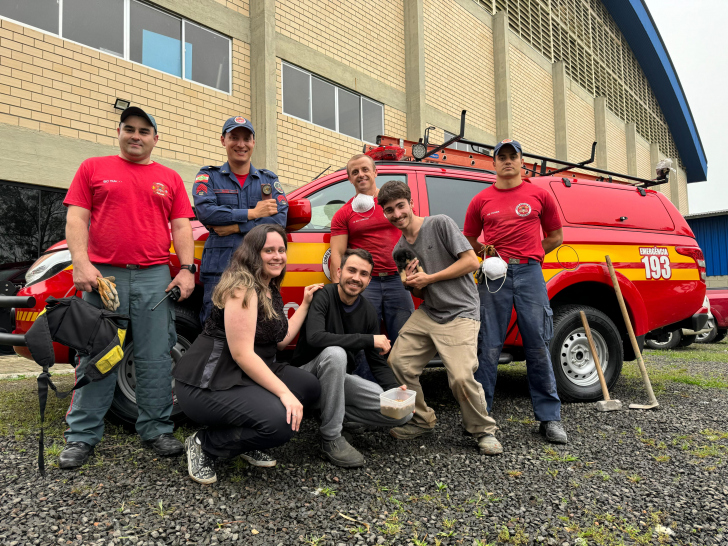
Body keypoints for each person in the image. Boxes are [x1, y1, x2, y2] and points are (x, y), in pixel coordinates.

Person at [60, 106, 196, 469]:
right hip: (104, 277)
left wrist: (186, 269)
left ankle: (156, 429)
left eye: (144, 131)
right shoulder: (93, 168)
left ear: (155, 138)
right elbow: (77, 216)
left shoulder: (169, 177)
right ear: (119, 131)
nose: (136, 136)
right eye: (130, 129)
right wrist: (81, 262)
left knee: (155, 356)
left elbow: (181, 226)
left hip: (154, 277)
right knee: (97, 356)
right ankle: (81, 436)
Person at [173, 224, 322, 484]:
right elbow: (242, 354)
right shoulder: (242, 288)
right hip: (208, 382)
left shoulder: (268, 286)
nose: (278, 256)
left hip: (241, 375)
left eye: (281, 250)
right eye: (269, 250)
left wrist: (306, 305)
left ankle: (245, 437)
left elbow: (279, 342)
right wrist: (283, 393)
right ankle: (204, 444)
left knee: (309, 387)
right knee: (281, 421)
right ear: (253, 254)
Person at [378, 180, 502, 455]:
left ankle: (483, 431)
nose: (397, 214)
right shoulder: (399, 251)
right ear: (384, 214)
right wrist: (413, 284)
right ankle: (422, 420)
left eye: (400, 206)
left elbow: (472, 262)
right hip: (430, 312)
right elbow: (420, 293)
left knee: (459, 377)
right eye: (389, 210)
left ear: (411, 203)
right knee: (398, 362)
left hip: (460, 311)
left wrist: (429, 277)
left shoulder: (439, 223)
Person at [463, 138, 567, 444]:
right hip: (494, 276)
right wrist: (489, 254)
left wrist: (532, 254)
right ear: (493, 163)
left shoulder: (539, 195)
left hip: (530, 273)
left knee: (537, 344)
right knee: (489, 346)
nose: (507, 161)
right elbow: (468, 237)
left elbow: (556, 236)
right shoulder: (481, 199)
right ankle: (480, 419)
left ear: (522, 162)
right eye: (502, 157)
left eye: (513, 156)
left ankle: (550, 418)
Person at [291, 248, 413, 468]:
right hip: (305, 378)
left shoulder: (367, 311)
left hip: (337, 381)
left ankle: (336, 415)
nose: (356, 278)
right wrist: (368, 339)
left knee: (400, 414)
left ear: (368, 280)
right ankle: (331, 438)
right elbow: (316, 338)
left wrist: (396, 389)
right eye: (352, 270)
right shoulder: (323, 296)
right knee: (335, 353)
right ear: (339, 271)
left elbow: (376, 362)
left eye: (364, 274)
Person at [193, 116, 288, 324]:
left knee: (259, 328)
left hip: (259, 268)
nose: (241, 144)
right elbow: (206, 212)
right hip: (220, 269)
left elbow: (279, 221)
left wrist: (236, 225)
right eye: (234, 137)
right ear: (223, 140)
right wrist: (252, 214)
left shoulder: (269, 180)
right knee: (214, 329)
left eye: (246, 138)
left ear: (253, 142)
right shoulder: (209, 177)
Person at [329, 155, 414, 373]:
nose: (361, 175)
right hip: (366, 285)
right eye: (355, 172)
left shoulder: (392, 205)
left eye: (365, 169)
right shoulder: (344, 213)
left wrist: (413, 274)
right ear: (349, 178)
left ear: (376, 172)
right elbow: (337, 253)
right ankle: (366, 396)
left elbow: (414, 236)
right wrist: (341, 289)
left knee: (405, 341)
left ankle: (403, 394)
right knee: (364, 343)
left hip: (399, 281)